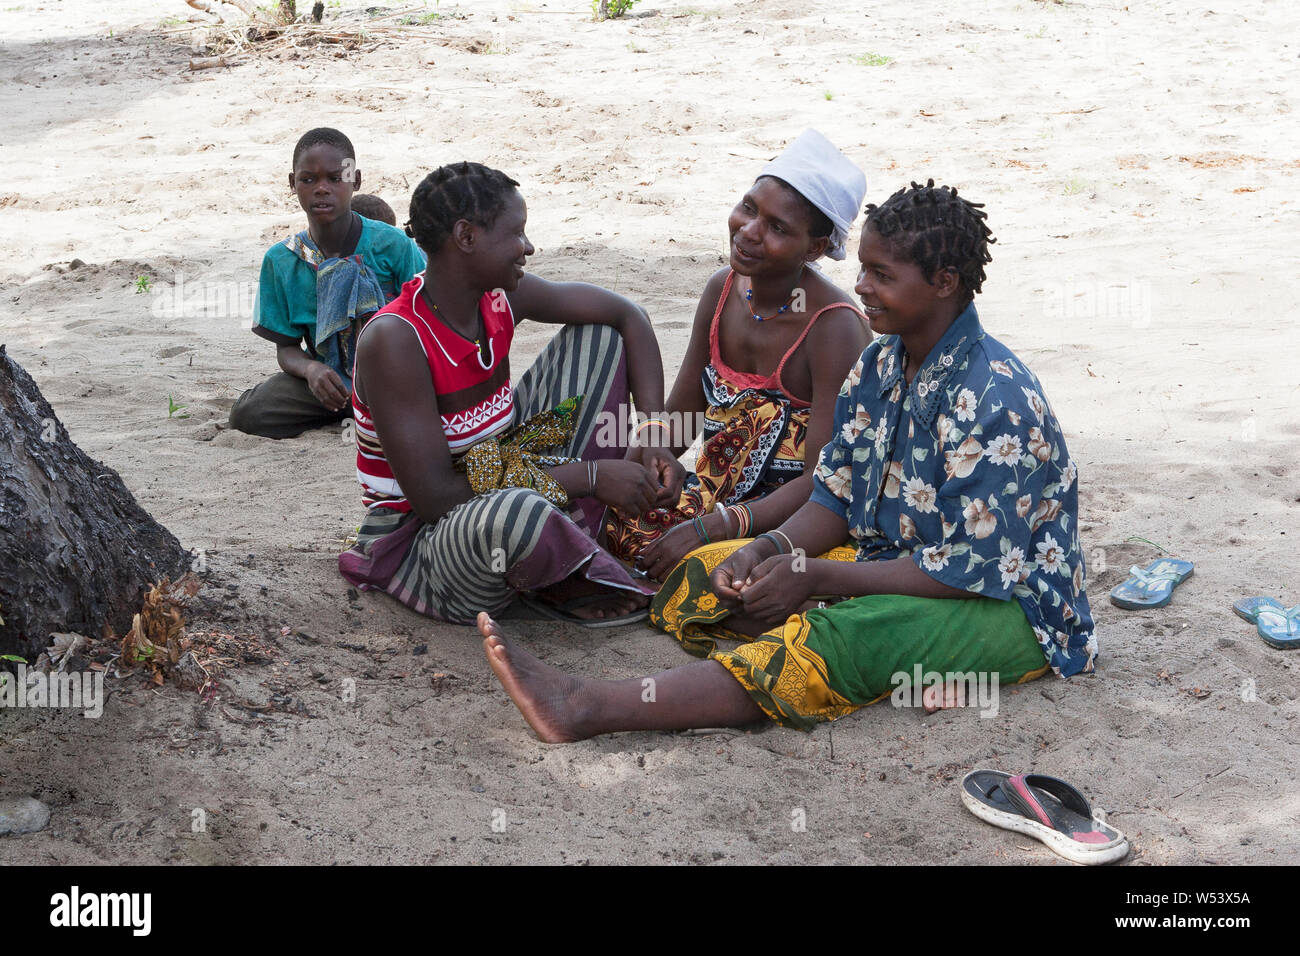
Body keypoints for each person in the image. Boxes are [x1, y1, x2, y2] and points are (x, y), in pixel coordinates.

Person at [478, 180, 1096, 741]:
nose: (861, 287)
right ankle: (863, 644)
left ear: (944, 283)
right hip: (894, 561)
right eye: (863, 270)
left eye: (881, 275)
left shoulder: (995, 401)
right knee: (707, 577)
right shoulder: (881, 366)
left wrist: (818, 577)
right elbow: (831, 496)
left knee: (826, 641)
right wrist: (768, 550)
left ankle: (589, 705)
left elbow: (966, 571)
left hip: (1005, 606)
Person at [339, 161, 680, 625]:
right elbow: (439, 500)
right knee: (514, 512)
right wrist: (591, 476)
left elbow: (628, 315)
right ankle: (557, 576)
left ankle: (561, 552)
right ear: (466, 237)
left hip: (504, 473)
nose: (528, 247)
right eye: (516, 233)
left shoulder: (499, 299)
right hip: (429, 541)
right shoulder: (396, 340)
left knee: (600, 337)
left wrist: (655, 433)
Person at [605, 129, 872, 593]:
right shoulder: (723, 289)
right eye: (749, 208)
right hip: (712, 499)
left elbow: (825, 479)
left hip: (791, 523)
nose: (749, 231)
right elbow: (684, 416)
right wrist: (651, 452)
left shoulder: (834, 328)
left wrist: (718, 528)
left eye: (778, 227)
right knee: (604, 513)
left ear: (813, 249)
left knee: (721, 579)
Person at [230, 129, 425, 439]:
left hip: (400, 378)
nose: (322, 189)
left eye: (335, 178)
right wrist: (312, 371)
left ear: (355, 180)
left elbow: (429, 321)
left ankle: (369, 410)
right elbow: (287, 349)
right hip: (334, 383)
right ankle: (351, 409)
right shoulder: (281, 261)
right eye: (308, 180)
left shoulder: (394, 245)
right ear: (293, 184)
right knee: (249, 413)